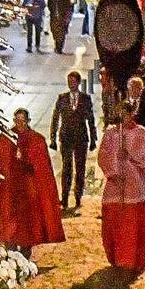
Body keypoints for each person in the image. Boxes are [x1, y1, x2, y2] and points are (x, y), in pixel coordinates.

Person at [0, 108, 65, 255]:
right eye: (17, 120)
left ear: (28, 121)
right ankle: (11, 250)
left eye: (22, 121)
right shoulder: (6, 138)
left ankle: (26, 251)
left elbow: (42, 168)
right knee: (11, 223)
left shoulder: (36, 139)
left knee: (27, 223)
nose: (19, 124)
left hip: (28, 190)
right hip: (11, 189)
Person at [98, 94, 145, 276]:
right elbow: (103, 155)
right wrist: (112, 172)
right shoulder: (110, 133)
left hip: (134, 187)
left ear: (132, 114)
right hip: (115, 185)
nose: (122, 117)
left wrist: (130, 157)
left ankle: (131, 260)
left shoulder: (142, 133)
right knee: (113, 223)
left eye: (125, 113)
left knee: (131, 225)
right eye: (119, 113)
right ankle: (115, 257)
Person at [48, 71, 98, 213]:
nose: (71, 84)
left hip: (81, 138)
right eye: (69, 81)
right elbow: (55, 118)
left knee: (80, 169)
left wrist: (93, 138)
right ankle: (64, 199)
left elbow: (91, 119)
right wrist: (53, 137)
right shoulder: (62, 98)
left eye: (73, 81)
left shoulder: (85, 99)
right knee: (67, 168)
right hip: (66, 137)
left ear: (78, 82)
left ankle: (78, 197)